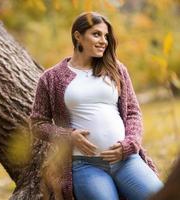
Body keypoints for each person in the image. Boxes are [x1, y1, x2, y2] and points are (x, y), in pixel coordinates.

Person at [29, 11, 164, 200]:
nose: (104, 41)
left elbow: (133, 112)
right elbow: (37, 124)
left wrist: (130, 143)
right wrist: (68, 136)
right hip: (85, 165)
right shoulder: (52, 78)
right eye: (96, 34)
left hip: (126, 160)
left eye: (106, 36)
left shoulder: (116, 69)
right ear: (78, 36)